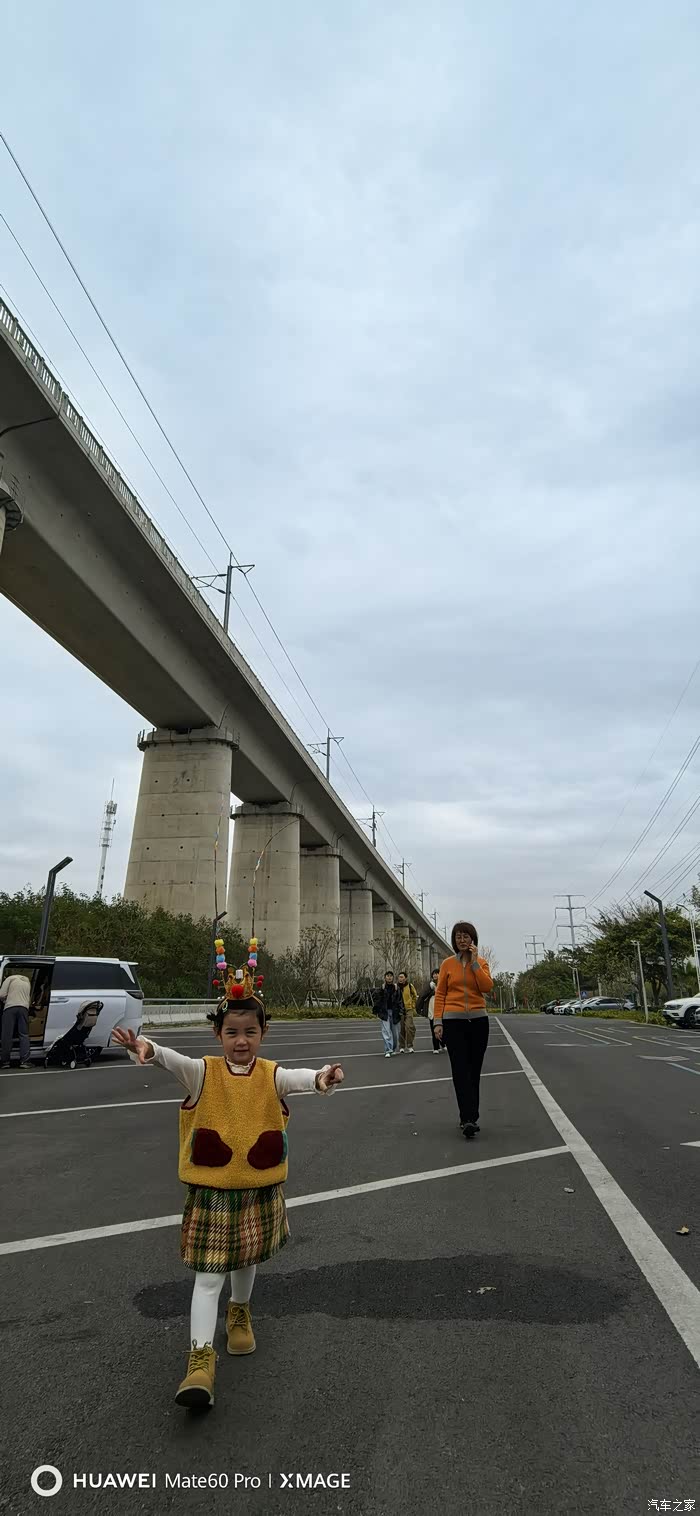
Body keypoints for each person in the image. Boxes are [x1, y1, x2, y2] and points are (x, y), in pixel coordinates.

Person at [112, 965, 343, 1411]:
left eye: (250, 1032)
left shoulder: (271, 1074)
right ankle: (200, 1362)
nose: (241, 1041)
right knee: (208, 1276)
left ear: (263, 1032)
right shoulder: (202, 1073)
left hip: (257, 1186)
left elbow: (301, 1078)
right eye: (232, 1032)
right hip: (214, 1191)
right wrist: (146, 1048)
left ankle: (239, 1311)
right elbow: (169, 1059)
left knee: (247, 1257)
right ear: (217, 1033)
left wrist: (322, 1078)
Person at [433, 922, 493, 1138]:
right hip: (453, 1022)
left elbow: (486, 987)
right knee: (460, 1070)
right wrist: (438, 1022)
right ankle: (467, 1118)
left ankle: (470, 1116)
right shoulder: (447, 964)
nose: (462, 940)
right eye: (458, 936)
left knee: (474, 1070)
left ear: (473, 939)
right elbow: (440, 994)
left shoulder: (482, 963)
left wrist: (475, 963)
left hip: (478, 1021)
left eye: (465, 936)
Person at [0, 968, 33, 1070]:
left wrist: (5, 1000)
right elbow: (29, 998)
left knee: (7, 1035)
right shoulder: (27, 981)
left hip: (10, 1008)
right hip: (24, 1008)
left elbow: (1, 994)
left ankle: (5, 1062)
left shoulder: (10, 979)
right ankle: (25, 1061)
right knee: (24, 1034)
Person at [373, 970, 402, 1057]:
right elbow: (377, 1000)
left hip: (394, 1012)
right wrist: (376, 1011)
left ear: (393, 978)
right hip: (384, 1012)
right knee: (386, 1031)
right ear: (385, 978)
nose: (389, 977)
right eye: (387, 976)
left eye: (391, 976)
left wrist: (401, 1011)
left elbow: (400, 1000)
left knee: (395, 1033)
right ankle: (388, 1050)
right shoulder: (381, 988)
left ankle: (393, 1048)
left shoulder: (396, 988)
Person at [417, 970, 444, 1052]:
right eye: (434, 974)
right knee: (433, 1028)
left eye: (437, 974)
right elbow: (422, 995)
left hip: (441, 1008)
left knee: (443, 1028)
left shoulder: (443, 983)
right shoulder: (430, 985)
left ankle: (443, 1043)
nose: (435, 975)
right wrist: (430, 989)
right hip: (431, 1008)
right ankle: (436, 1047)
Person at [397, 971, 418, 1053]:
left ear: (405, 978)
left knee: (409, 1027)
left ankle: (410, 1045)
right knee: (401, 1029)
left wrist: (412, 1005)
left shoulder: (409, 986)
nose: (400, 979)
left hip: (408, 1009)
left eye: (402, 977)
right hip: (399, 1010)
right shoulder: (396, 987)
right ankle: (402, 1046)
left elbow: (414, 996)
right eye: (399, 977)